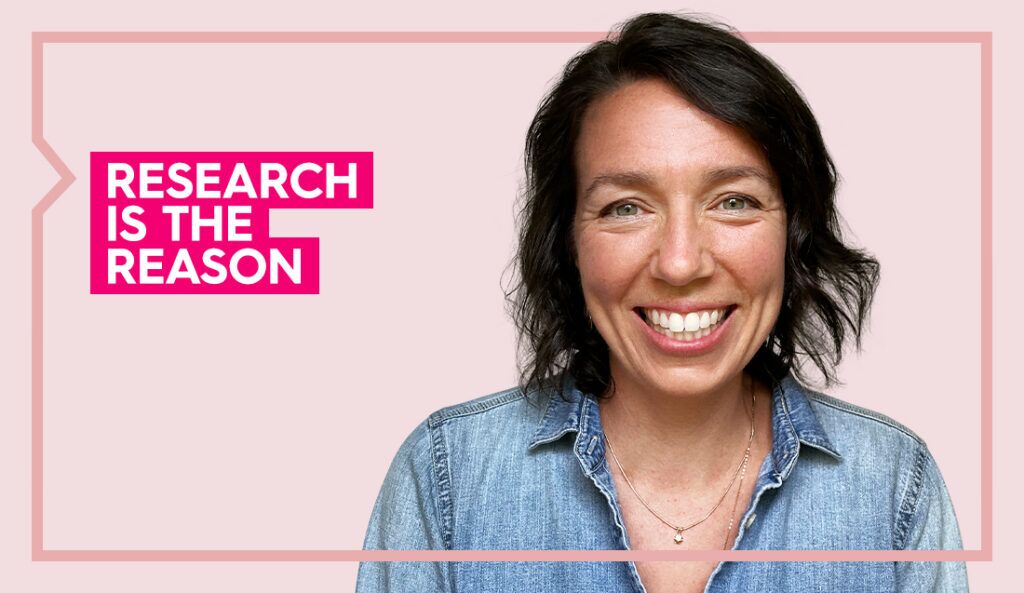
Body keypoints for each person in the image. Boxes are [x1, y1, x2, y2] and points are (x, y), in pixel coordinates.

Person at [356, 12, 968, 593]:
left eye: (733, 202)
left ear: (794, 231)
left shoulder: (893, 487)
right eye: (626, 207)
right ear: (568, 242)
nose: (680, 263)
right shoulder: (449, 478)